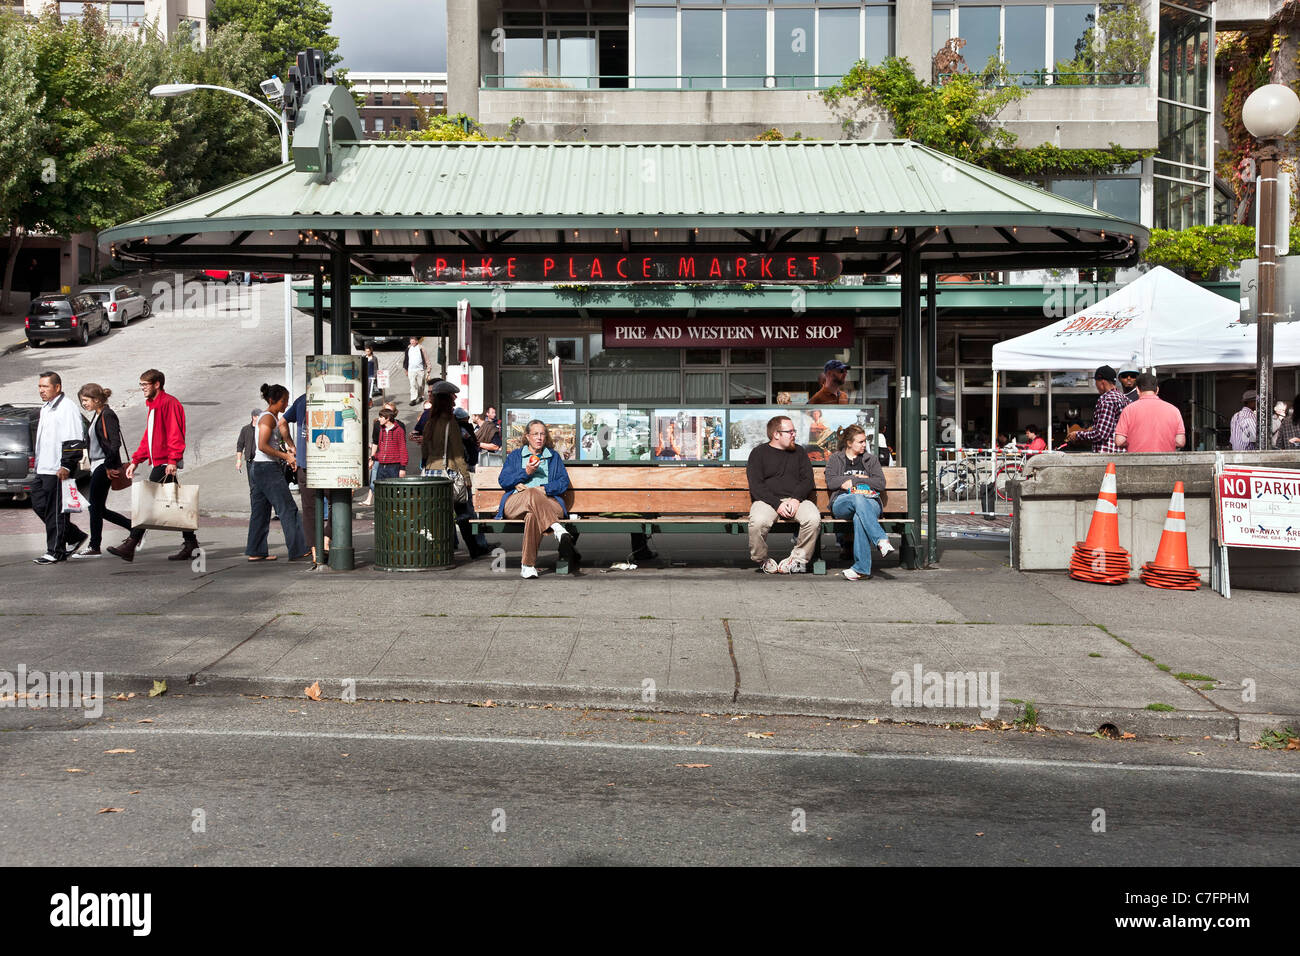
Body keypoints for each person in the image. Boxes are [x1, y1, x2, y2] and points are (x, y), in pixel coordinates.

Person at [107, 369, 199, 563]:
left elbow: (175, 433)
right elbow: (148, 438)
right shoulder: (154, 405)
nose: (142, 389)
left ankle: (131, 543)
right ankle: (190, 543)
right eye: (140, 385)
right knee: (176, 503)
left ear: (157, 384)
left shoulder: (168, 403)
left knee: (147, 502)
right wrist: (135, 460)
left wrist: (173, 460)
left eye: (145, 385)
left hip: (166, 462)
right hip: (160, 461)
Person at [496, 419, 578, 578]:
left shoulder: (553, 457)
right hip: (517, 502)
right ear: (527, 436)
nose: (539, 438)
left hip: (548, 502)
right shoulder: (516, 456)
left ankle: (527, 566)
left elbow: (563, 482)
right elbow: (503, 481)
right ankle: (557, 528)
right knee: (532, 493)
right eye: (535, 434)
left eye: (542, 434)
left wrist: (544, 489)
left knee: (532, 515)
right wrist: (525, 473)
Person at [746, 414, 820, 574]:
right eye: (790, 431)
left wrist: (796, 499)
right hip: (767, 501)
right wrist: (777, 504)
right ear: (776, 434)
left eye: (794, 431)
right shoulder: (758, 453)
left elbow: (808, 480)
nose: (794, 434)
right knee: (757, 523)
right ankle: (762, 559)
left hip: (796, 500)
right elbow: (756, 486)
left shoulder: (799, 452)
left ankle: (797, 559)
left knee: (813, 519)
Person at [31, 371, 89, 564]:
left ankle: (55, 551)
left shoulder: (67, 408)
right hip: (43, 468)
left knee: (55, 511)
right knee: (39, 503)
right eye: (40, 386)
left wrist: (66, 465)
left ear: (57, 387)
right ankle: (74, 536)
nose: (41, 390)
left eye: (45, 386)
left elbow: (74, 440)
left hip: (57, 469)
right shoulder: (46, 408)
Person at [246, 384, 308, 561]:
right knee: (287, 508)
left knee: (260, 511)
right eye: (283, 401)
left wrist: (290, 448)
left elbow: (281, 430)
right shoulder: (267, 418)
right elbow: (262, 445)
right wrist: (285, 457)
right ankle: (299, 549)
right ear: (272, 400)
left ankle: (256, 551)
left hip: (259, 468)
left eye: (287, 400)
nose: (286, 404)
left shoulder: (273, 417)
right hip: (267, 468)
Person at [825, 424, 894, 581]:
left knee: (859, 516)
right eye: (860, 442)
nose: (864, 445)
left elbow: (880, 484)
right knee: (857, 498)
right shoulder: (836, 459)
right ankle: (881, 539)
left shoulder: (871, 460)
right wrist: (859, 480)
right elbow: (831, 481)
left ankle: (861, 569)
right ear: (849, 443)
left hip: (870, 503)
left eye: (865, 441)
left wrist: (851, 481)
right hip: (843, 502)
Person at [420, 393, 485, 559]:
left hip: (430, 474)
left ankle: (439, 549)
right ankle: (474, 548)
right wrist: (467, 478)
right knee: (463, 512)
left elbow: (424, 450)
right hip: (449, 472)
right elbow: (457, 455)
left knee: (437, 514)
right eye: (452, 402)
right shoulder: (451, 424)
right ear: (447, 405)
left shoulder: (430, 423)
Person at [74, 384, 132, 558]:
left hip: (104, 466)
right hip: (98, 465)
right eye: (82, 401)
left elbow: (115, 443)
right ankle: (135, 528)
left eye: (86, 400)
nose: (83, 404)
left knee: (94, 507)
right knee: (98, 508)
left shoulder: (107, 415)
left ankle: (94, 546)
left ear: (97, 399)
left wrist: (108, 466)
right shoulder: (98, 414)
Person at [281, 392, 330, 562]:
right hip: (329, 464)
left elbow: (282, 422)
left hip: (305, 464)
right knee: (338, 503)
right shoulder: (335, 396)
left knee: (309, 510)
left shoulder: (302, 400)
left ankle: (315, 551)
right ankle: (326, 539)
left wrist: (292, 446)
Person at [1064, 365, 1128, 455]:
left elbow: (1101, 434)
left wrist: (1078, 435)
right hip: (1121, 453)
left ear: (1102, 382)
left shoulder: (1108, 400)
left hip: (1107, 456)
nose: (1096, 385)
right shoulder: (1124, 398)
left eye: (1096, 382)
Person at [1114, 373, 1186, 453]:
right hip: (1166, 461)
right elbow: (1180, 442)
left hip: (1137, 462)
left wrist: (1133, 441)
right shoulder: (1174, 410)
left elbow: (1119, 441)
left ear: (1137, 390)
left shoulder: (1128, 410)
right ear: (1157, 390)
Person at [359, 401, 403, 506]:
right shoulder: (378, 425)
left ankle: (391, 510)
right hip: (380, 458)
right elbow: (375, 442)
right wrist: (372, 458)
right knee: (375, 481)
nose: (383, 415)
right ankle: (370, 500)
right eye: (383, 411)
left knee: (391, 487)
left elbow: (402, 447)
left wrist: (402, 467)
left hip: (393, 461)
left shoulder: (399, 427)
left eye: (388, 411)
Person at [373, 407, 408, 480]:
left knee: (393, 489)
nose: (379, 419)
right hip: (381, 465)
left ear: (387, 418)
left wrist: (402, 468)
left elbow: (403, 448)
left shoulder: (399, 430)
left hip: (394, 466)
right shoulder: (381, 430)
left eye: (381, 417)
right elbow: (381, 447)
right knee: (380, 488)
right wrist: (375, 457)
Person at [235, 408, 260, 487]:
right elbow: (240, 445)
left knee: (262, 485)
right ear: (254, 417)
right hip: (250, 462)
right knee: (252, 485)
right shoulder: (245, 429)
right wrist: (238, 460)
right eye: (259, 416)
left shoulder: (263, 429)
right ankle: (253, 499)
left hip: (261, 461)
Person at [402, 336, 430, 406]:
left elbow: (426, 358)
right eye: (411, 341)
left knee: (421, 385)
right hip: (411, 370)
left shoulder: (421, 348)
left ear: (417, 341)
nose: (412, 342)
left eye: (413, 341)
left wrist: (429, 367)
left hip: (420, 369)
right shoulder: (408, 349)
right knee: (413, 385)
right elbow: (406, 359)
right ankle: (413, 399)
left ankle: (420, 396)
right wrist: (406, 369)